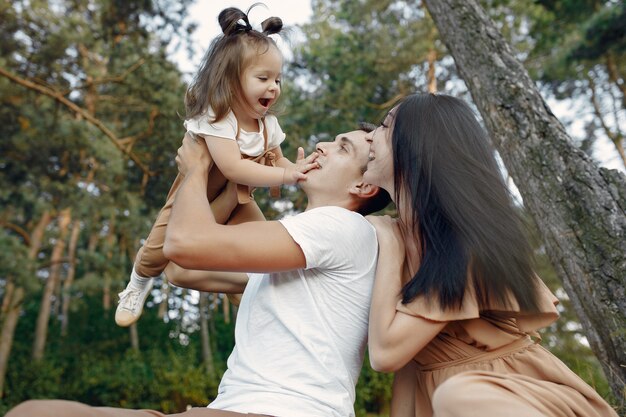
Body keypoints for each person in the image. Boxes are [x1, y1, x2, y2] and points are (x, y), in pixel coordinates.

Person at [6, 127, 391, 417]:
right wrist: (237, 182)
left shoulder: (342, 227)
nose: (323, 145)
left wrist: (196, 169)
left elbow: (182, 244)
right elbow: (181, 271)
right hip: (235, 407)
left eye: (343, 147)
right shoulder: (294, 248)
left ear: (363, 183)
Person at [363, 93, 619, 417]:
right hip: (442, 396)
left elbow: (386, 354)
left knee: (457, 395)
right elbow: (413, 367)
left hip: (507, 394)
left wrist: (388, 241)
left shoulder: (460, 242)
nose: (370, 136)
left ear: (417, 146)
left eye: (384, 127)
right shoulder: (398, 235)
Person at [115, 6, 316, 327]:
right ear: (231, 82)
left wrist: (299, 171)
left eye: (277, 79)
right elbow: (234, 168)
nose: (274, 87)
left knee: (261, 248)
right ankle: (137, 282)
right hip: (195, 198)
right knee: (158, 249)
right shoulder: (217, 118)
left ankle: (251, 302)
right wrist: (285, 175)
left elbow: (279, 161)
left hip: (238, 201)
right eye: (263, 78)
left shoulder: (269, 126)